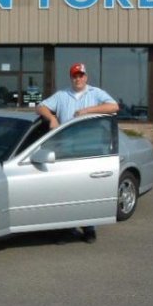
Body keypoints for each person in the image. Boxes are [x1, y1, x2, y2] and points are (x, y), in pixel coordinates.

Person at [36, 62, 119, 243]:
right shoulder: (62, 95)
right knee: (66, 190)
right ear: (71, 78)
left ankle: (89, 229)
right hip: (65, 151)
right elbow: (40, 106)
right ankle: (68, 229)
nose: (78, 79)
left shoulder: (95, 93)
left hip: (89, 150)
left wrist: (88, 110)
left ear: (86, 77)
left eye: (81, 75)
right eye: (74, 76)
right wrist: (51, 117)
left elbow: (113, 107)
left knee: (87, 190)